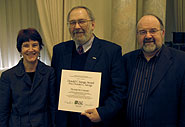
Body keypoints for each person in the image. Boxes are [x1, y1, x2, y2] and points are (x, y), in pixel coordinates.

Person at [51, 6, 127, 127]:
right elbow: (54, 88)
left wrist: (102, 113)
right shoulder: (59, 50)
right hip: (65, 122)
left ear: (92, 24)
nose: (77, 27)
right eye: (72, 23)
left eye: (81, 21)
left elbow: (119, 91)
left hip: (96, 123)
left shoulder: (111, 51)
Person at [122, 14, 185, 127]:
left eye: (153, 31)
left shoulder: (181, 61)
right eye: (142, 32)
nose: (148, 36)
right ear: (137, 36)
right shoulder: (127, 60)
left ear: (163, 33)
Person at [0, 28, 56, 127]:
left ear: (40, 48)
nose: (31, 50)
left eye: (34, 45)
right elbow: (3, 111)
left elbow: (53, 106)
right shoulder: (7, 76)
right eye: (26, 45)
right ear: (20, 49)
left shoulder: (49, 73)